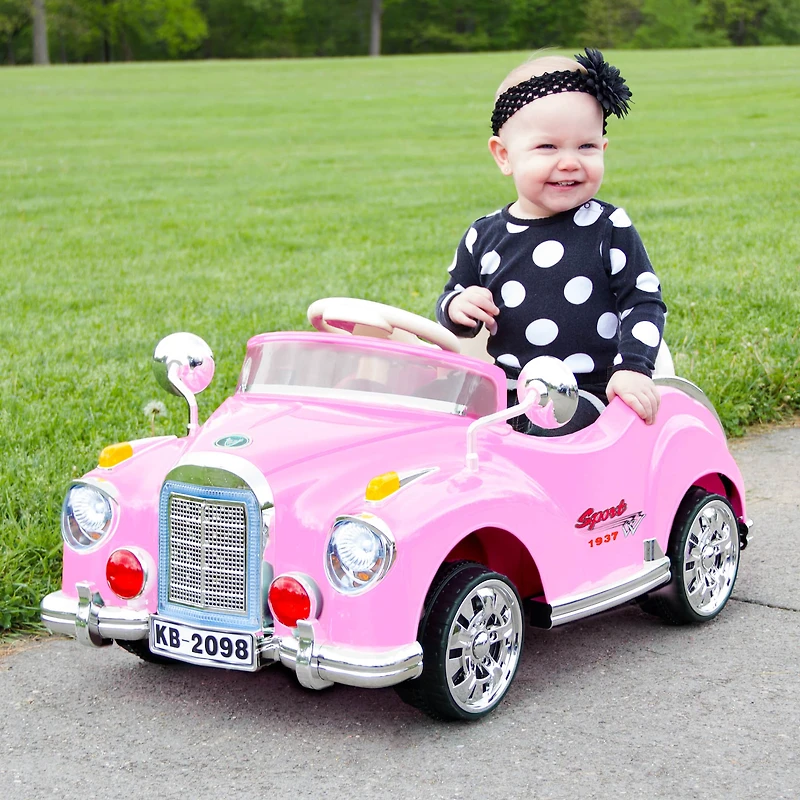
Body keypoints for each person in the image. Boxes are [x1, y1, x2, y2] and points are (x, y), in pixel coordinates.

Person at [435, 49, 666, 435]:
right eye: (548, 147)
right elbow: (450, 311)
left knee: (546, 432)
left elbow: (644, 301)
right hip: (504, 392)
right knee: (439, 420)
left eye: (586, 146)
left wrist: (632, 368)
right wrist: (458, 306)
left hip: (585, 393)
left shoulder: (608, 227)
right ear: (504, 156)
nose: (570, 161)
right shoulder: (483, 235)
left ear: (603, 149)